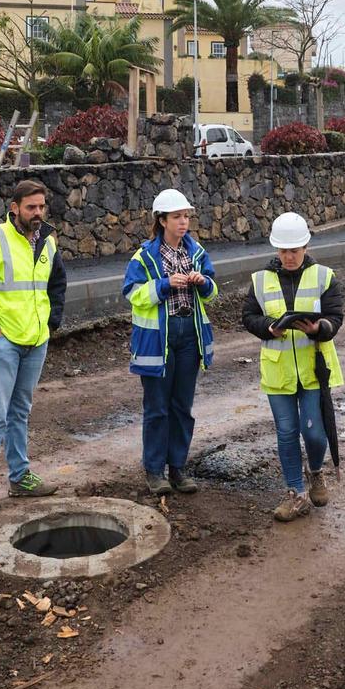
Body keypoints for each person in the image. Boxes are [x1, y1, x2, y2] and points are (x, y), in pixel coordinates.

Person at [0, 178, 67, 512]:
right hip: (1, 342)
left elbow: (57, 283)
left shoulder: (48, 242)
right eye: (30, 207)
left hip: (35, 341)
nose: (37, 213)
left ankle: (20, 478)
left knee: (20, 411)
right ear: (14, 208)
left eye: (41, 206)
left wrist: (51, 324)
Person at [242, 212, 345, 522]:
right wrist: (268, 327)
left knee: (313, 433)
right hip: (279, 370)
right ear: (276, 249)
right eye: (283, 250)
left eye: (294, 250)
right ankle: (295, 493)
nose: (288, 256)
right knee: (286, 432)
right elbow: (249, 317)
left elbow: (335, 317)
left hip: (315, 369)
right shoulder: (260, 280)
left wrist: (318, 329)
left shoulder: (324, 276)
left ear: (305, 246)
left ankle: (315, 471)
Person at [123, 188, 218, 495]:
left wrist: (203, 283)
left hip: (189, 335)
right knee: (157, 408)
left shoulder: (197, 253)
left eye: (186, 216)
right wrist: (164, 285)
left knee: (182, 406)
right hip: (157, 341)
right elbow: (132, 294)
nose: (183, 222)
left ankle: (178, 468)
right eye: (177, 217)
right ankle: (154, 471)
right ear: (161, 220)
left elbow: (213, 291)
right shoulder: (144, 257)